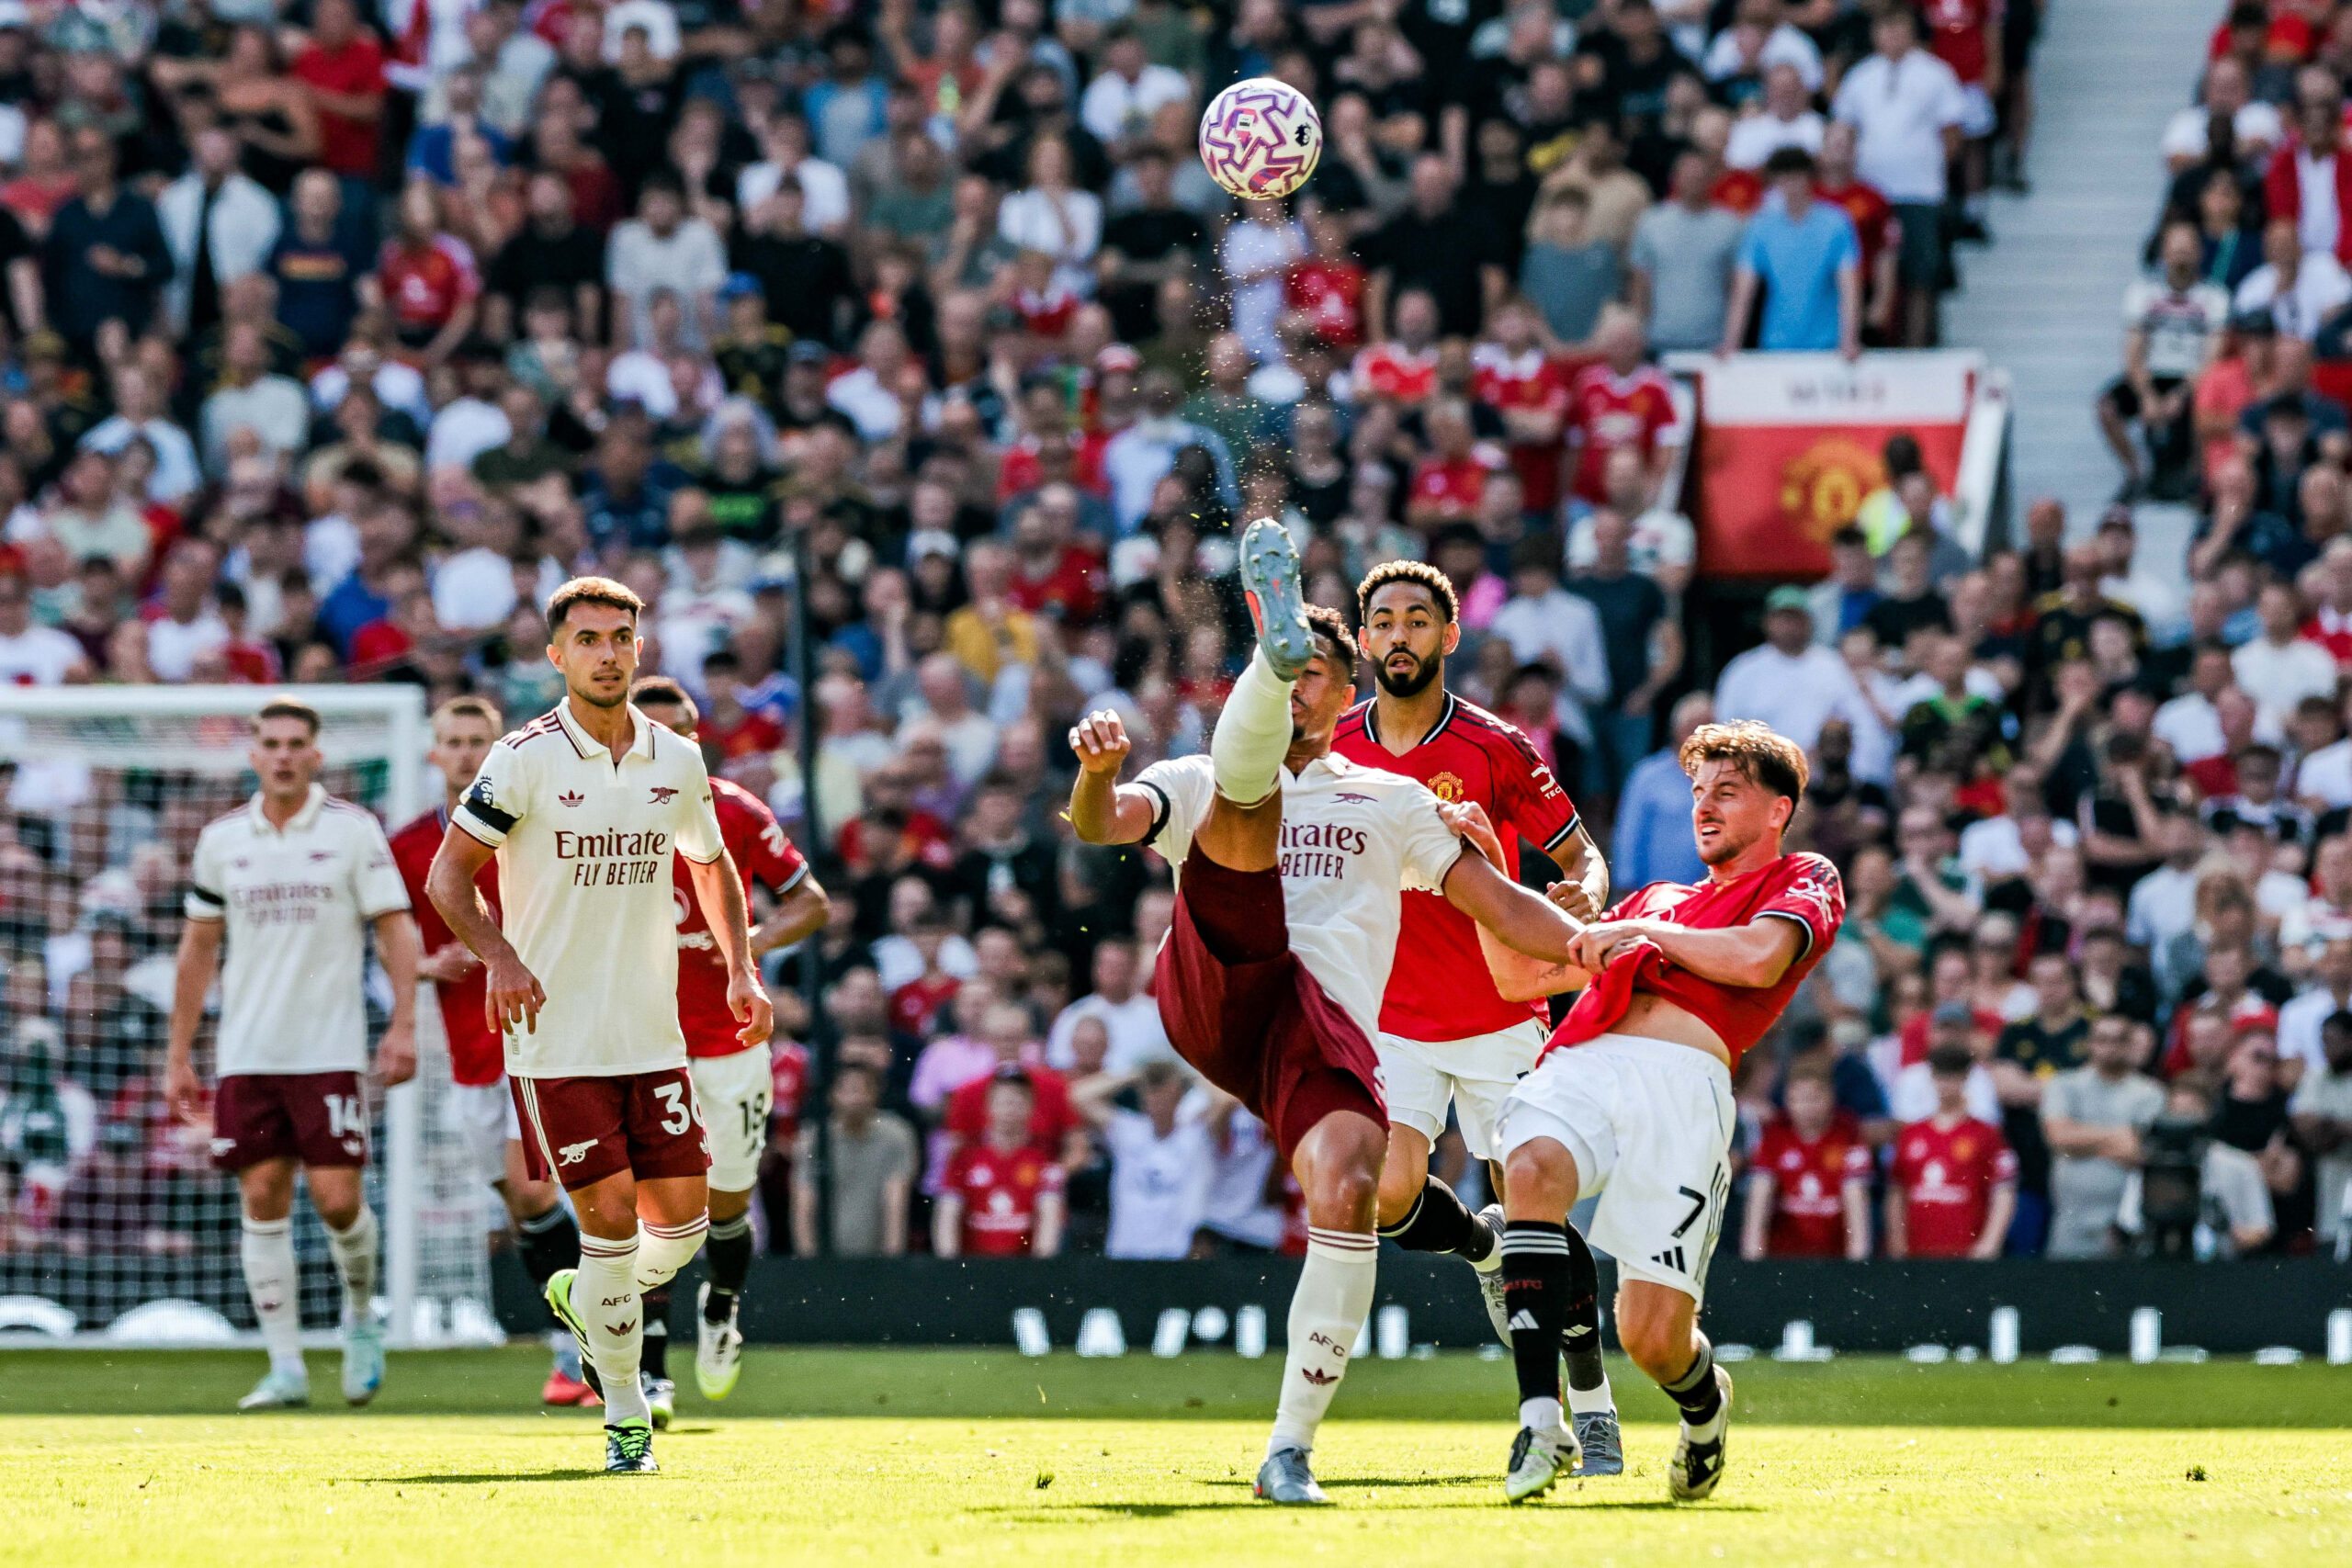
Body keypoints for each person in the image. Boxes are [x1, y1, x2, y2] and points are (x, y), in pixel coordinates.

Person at [1066, 520, 1589, 1505]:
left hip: (1317, 1034)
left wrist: (1593, 945)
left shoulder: (1392, 802)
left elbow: (1500, 904)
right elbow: (1104, 825)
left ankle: (1287, 1449)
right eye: (1283, 672)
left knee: (1353, 1186)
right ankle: (1257, 665)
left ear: (1345, 696)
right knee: (1239, 796)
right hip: (1220, 992)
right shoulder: (1195, 777)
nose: (1305, 688)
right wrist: (1094, 774)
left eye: (1309, 672)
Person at [425, 576, 773, 1474]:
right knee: (611, 1223)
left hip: (654, 1036)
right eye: (589, 639)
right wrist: (500, 958)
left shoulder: (675, 759)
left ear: (640, 647)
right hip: (556, 1041)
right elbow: (446, 878)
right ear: (557, 656)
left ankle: (588, 1297)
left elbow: (713, 866)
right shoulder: (522, 758)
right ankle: (625, 1420)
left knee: (683, 1230)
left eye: (621, 636)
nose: (608, 652)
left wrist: (739, 967)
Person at [1476, 719, 1846, 1504]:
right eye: (1698, 792)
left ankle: (1704, 1407)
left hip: (1685, 1087)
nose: (1704, 806)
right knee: (1530, 1167)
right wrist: (1477, 869)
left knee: (1650, 1337)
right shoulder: (1658, 896)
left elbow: (1759, 959)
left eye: (1728, 792)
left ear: (1777, 810)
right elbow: (1516, 978)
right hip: (1587, 1055)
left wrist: (1640, 931)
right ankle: (1542, 1419)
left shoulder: (1803, 875)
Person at [1329, 557, 1622, 1468]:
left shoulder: (1495, 746)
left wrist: (1583, 898)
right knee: (1384, 1195)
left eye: (1419, 620)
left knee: (1540, 1199)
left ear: (1448, 638)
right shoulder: (1333, 747)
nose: (1400, 635)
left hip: (1498, 1011)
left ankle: (1591, 1395)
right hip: (1392, 1016)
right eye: (1383, 621)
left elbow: (1582, 856)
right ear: (1364, 638)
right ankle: (1480, 1248)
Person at [164, 697, 422, 1412]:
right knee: (261, 1196)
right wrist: (178, 1053)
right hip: (249, 1049)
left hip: (329, 1046)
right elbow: (199, 948)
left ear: (316, 754)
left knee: (338, 1199)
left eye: (294, 743)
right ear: (253, 754)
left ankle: (361, 1316)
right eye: (270, 742)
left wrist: (404, 1024)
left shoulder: (352, 831)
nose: (282, 754)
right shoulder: (222, 840)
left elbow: (395, 930)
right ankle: (284, 1365)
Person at [628, 678, 831, 1412]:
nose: (661, 744)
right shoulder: (603, 811)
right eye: (646, 731)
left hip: (731, 1042)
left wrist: (752, 937)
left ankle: (722, 1308)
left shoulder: (736, 811)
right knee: (656, 1211)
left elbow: (812, 900)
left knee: (726, 1207)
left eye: (675, 731)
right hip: (646, 1044)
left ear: (695, 737)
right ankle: (651, 1368)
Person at [387, 694, 592, 1407]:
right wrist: (421, 968)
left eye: (479, 739)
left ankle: (594, 1343)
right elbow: (387, 945)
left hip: (538, 1036)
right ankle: (583, 1335)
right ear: (433, 753)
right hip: (469, 1057)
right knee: (523, 1206)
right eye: (454, 740)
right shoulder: (409, 845)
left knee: (537, 1188)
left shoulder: (531, 829)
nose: (468, 752)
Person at [2041, 1012, 2166, 1259]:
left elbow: (2140, 1151)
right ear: (2089, 1043)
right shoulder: (2064, 1084)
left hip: (2127, 1225)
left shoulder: (2151, 1092)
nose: (2110, 1047)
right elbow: (2058, 1137)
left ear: (2131, 1044)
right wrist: (2121, 1135)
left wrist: (2080, 1138)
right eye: (2102, 1039)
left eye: (2118, 1040)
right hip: (2070, 1222)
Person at [1719, 147, 1860, 358]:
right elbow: (1744, 289)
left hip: (1826, 345)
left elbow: (1848, 286)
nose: (1791, 184)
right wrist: (1731, 343)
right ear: (1775, 181)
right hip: (1776, 344)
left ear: (1810, 178)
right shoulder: (1761, 226)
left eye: (1797, 176)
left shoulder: (1836, 222)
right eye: (1783, 177)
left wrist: (1849, 340)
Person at [1886, 1043, 2018, 1258]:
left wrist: (1989, 1245)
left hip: (1967, 1252)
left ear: (1966, 1079)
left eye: (1953, 1077)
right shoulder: (1910, 1134)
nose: (1945, 1084)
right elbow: (1896, 1191)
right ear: (1931, 1077)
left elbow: (2004, 1191)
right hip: (1916, 1252)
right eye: (1940, 1076)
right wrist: (1897, 1242)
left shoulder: (1987, 1135)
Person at [1074, 1059, 1216, 1259]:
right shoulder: (1127, 1129)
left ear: (1178, 1096)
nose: (1157, 1099)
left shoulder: (1195, 1133)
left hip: (1177, 1252)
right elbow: (1079, 1095)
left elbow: (1226, 1099)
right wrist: (1135, 1074)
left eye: (1164, 1092)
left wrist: (1186, 1075)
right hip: (1126, 1251)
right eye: (1151, 1092)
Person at [1738, 1062, 1871, 1260]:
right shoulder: (1775, 1136)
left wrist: (1858, 1264)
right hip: (1783, 1262)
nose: (1806, 1107)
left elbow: (1856, 1201)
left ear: (1831, 1096)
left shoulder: (1848, 1134)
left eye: (1814, 1098)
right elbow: (1759, 1200)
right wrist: (1752, 1262)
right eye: (1797, 1100)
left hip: (1835, 1262)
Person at [933, 1070, 1066, 1257]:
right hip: (972, 1267)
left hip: (1023, 1268)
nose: (1010, 1109)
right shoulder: (964, 1158)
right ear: (988, 1106)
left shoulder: (1044, 1160)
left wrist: (1040, 1270)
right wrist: (950, 1266)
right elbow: (948, 1212)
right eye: (1004, 1102)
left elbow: (1049, 1216)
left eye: (1017, 1102)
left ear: (1031, 1107)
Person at [791, 1063, 916, 1257]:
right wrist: (808, 1263)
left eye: (864, 1090)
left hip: (876, 1258)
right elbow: (803, 1203)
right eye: (848, 1090)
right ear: (832, 1095)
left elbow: (895, 1202)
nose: (856, 1098)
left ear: (876, 1094)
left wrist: (893, 1261)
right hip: (825, 1257)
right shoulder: (813, 1140)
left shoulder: (897, 1135)